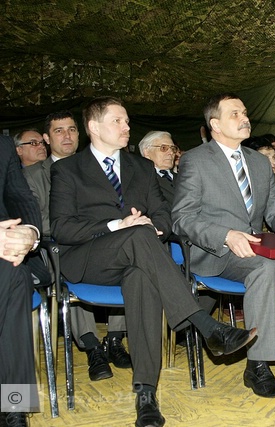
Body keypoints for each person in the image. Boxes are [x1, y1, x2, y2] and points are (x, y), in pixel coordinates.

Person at [50, 96, 255, 426]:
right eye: (118, 121)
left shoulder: (141, 167)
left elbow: (163, 214)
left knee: (142, 278)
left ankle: (146, 394)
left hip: (138, 259)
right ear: (93, 127)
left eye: (127, 121)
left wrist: (155, 226)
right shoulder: (67, 169)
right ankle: (205, 325)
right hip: (90, 260)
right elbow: (62, 227)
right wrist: (118, 225)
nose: (126, 126)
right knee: (137, 235)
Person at [172, 93, 275, 398]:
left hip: (254, 247)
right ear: (215, 124)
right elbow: (182, 218)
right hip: (217, 251)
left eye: (245, 112)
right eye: (235, 114)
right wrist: (226, 235)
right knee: (264, 269)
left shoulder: (259, 162)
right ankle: (258, 365)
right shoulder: (195, 160)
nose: (245, 118)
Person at [23, 110, 132, 381]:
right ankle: (92, 345)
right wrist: (87, 227)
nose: (67, 136)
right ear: (47, 138)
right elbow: (36, 220)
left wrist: (104, 227)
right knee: (68, 266)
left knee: (131, 259)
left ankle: (115, 339)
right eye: (59, 131)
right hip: (58, 246)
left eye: (72, 129)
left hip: (107, 241)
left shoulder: (100, 167)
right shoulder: (33, 176)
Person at [0, 135, 43, 427]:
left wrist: (29, 233)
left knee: (16, 272)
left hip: (5, 252)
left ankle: (14, 404)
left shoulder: (3, 146)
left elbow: (21, 198)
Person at [139, 131, 179, 205]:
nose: (171, 152)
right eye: (164, 148)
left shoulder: (184, 177)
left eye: (173, 148)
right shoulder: (141, 181)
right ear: (146, 152)